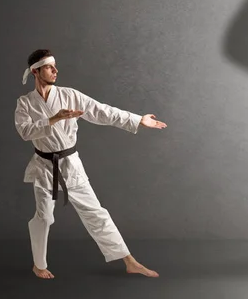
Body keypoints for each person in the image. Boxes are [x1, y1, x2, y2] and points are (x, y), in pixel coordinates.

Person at [14, 49, 167, 279]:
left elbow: (102, 111)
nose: (56, 70)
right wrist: (55, 118)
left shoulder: (69, 95)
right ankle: (39, 264)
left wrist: (137, 120)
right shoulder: (25, 103)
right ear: (36, 71)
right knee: (44, 217)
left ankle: (130, 261)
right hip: (44, 166)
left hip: (70, 164)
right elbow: (25, 131)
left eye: (55, 66)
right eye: (49, 67)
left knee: (97, 213)